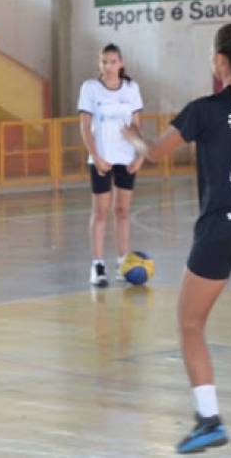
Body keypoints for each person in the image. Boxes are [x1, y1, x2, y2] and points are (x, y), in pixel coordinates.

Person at [122, 23, 231, 457]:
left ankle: (209, 419)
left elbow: (156, 152)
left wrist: (133, 137)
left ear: (220, 62)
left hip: (224, 226)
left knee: (190, 322)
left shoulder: (204, 109)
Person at [77, 43, 144, 287]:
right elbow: (85, 126)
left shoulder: (131, 88)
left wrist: (139, 155)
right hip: (102, 159)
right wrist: (96, 156)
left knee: (123, 211)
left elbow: (136, 124)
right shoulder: (90, 88)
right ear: (100, 64)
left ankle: (123, 262)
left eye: (113, 62)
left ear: (121, 63)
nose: (108, 66)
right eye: (104, 62)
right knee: (101, 212)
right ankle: (97, 265)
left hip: (126, 158)